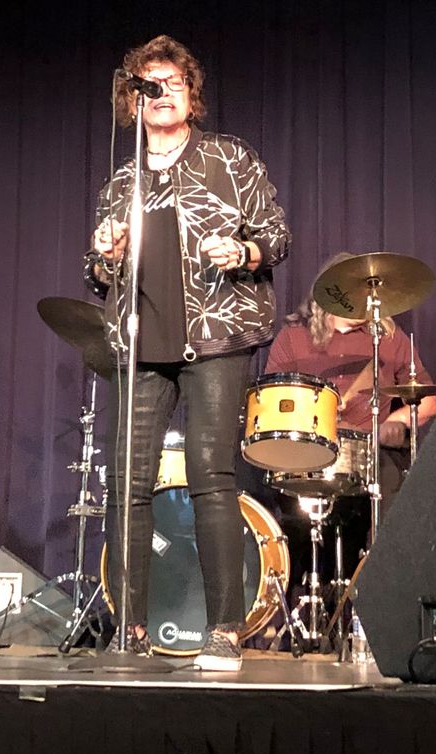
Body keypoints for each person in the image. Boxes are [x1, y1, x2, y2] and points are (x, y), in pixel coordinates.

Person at [84, 35, 289, 670]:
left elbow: (276, 235)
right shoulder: (122, 180)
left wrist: (245, 251)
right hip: (143, 341)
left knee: (209, 474)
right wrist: (106, 257)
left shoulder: (230, 157)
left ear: (191, 94)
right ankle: (130, 628)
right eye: (149, 85)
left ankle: (225, 629)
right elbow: (95, 275)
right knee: (129, 483)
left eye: (172, 82)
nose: (161, 93)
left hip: (216, 333)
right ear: (132, 101)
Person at [262, 275, 436, 611]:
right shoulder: (294, 337)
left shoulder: (388, 337)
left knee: (394, 492)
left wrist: (395, 421)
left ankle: (383, 606)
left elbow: (427, 402)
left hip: (370, 451)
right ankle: (294, 601)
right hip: (309, 450)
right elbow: (272, 402)